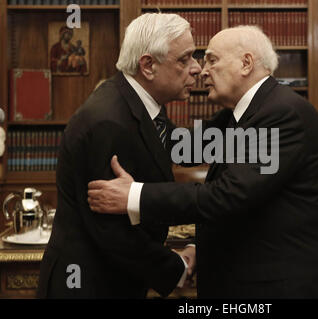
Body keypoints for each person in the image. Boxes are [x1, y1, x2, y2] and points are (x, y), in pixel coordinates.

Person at [88, 26, 318, 299]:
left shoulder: (282, 115)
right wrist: (138, 98)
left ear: (246, 63)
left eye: (212, 59)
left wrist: (133, 196)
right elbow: (179, 148)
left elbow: (228, 196)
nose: (202, 70)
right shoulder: (240, 114)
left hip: (284, 286)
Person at [38, 13, 208, 298]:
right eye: (184, 59)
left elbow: (180, 146)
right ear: (148, 65)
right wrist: (175, 268)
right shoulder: (109, 121)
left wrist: (245, 129)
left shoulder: (139, 104)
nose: (197, 68)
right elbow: (112, 231)